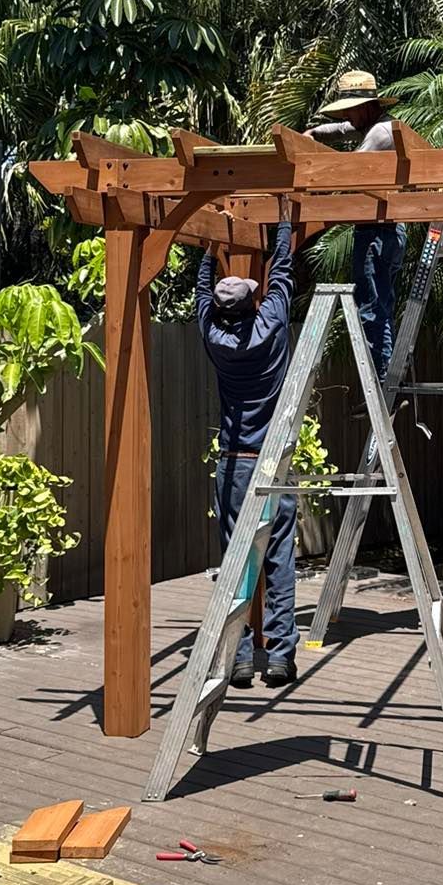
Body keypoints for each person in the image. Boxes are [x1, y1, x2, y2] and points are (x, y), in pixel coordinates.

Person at [196, 215, 298, 687]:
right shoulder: (271, 327)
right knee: (277, 557)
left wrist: (204, 249)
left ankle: (238, 658)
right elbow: (283, 273)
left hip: (235, 465)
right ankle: (278, 656)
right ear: (253, 304)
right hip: (273, 462)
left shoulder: (214, 339)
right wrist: (283, 221)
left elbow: (201, 298)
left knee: (238, 561)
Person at [307, 69, 405, 377]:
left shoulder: (378, 135)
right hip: (388, 230)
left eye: (350, 108)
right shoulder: (378, 126)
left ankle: (380, 376)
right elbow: (342, 129)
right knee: (380, 304)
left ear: (365, 106)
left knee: (370, 306)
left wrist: (314, 189)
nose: (348, 115)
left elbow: (347, 175)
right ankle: (386, 374)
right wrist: (314, 134)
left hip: (376, 230)